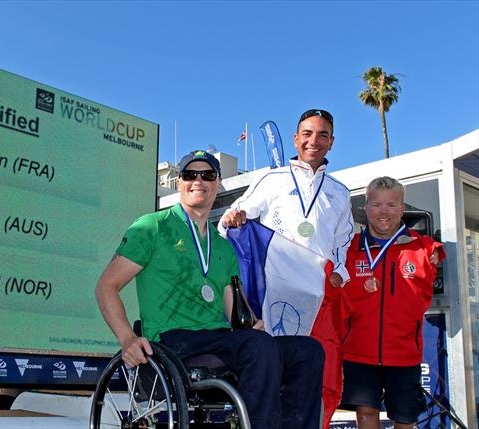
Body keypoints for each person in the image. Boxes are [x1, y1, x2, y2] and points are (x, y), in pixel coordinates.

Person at [96, 149, 324, 429]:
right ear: (179, 181)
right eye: (190, 174)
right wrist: (128, 339)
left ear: (217, 183)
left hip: (218, 338)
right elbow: (106, 287)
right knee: (258, 346)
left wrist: (251, 324)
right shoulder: (151, 227)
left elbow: (233, 308)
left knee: (308, 350)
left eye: (208, 175)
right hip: (173, 340)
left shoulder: (223, 246)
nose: (198, 181)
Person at [217, 108, 354, 427]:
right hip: (273, 296)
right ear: (296, 139)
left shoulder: (340, 193)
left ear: (332, 142)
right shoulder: (271, 179)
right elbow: (230, 223)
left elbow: (343, 241)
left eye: (322, 135)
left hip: (316, 298)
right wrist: (233, 220)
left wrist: (341, 272)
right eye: (307, 134)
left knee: (317, 376)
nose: (314, 141)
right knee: (271, 375)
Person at [340, 177, 444, 429]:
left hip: (404, 353)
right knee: (365, 413)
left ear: (402, 209)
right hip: (359, 350)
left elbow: (438, 254)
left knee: (404, 419)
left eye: (391, 204)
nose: (383, 212)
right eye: (376, 204)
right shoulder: (349, 248)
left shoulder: (424, 247)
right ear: (366, 208)